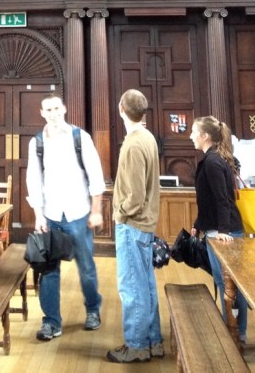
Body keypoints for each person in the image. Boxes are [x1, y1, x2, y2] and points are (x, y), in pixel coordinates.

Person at [26, 94, 105, 341]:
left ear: (65, 109)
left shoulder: (80, 137)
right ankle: (51, 322)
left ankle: (93, 309)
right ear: (41, 113)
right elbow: (34, 180)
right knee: (49, 270)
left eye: (57, 108)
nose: (53, 113)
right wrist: (38, 214)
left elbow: (95, 175)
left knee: (86, 267)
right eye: (48, 109)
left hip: (78, 213)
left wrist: (96, 211)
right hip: (50, 215)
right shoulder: (36, 143)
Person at [107, 88, 163, 364]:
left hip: (132, 224)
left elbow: (135, 196)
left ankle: (137, 344)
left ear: (121, 109)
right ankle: (153, 340)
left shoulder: (132, 144)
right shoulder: (147, 136)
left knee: (131, 286)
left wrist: (119, 212)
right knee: (146, 283)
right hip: (145, 224)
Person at [190, 115, 249, 347]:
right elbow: (209, 201)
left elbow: (223, 200)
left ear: (205, 136)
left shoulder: (213, 162)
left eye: (194, 132)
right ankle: (233, 331)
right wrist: (198, 223)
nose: (191, 136)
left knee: (229, 285)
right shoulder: (213, 159)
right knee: (227, 283)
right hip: (216, 228)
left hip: (224, 232)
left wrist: (223, 230)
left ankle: (235, 334)